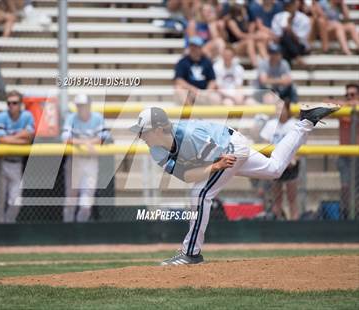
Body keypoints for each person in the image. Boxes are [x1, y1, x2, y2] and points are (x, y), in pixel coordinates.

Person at [130, 102, 339, 265]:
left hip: (230, 147)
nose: (140, 136)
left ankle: (190, 253)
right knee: (274, 169)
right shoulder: (156, 149)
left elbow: (222, 161)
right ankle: (306, 122)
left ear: (159, 129)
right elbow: (187, 175)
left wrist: (214, 166)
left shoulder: (190, 135)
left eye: (143, 131)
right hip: (219, 154)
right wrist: (213, 167)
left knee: (200, 194)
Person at [0, 90, 35, 223]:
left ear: (20, 104)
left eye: (15, 103)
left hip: (16, 163)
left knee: (16, 201)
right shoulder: (1, 117)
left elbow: (29, 136)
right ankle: (0, 230)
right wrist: (20, 139)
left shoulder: (27, 116)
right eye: (9, 103)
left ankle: (8, 225)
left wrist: (10, 138)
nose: (11, 106)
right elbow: (0, 138)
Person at [61, 94, 104, 223]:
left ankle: (80, 229)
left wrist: (83, 141)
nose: (81, 108)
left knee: (87, 201)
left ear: (89, 105)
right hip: (75, 161)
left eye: (83, 105)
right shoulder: (71, 118)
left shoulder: (97, 118)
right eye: (79, 106)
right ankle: (67, 229)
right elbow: (65, 138)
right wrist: (85, 142)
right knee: (71, 198)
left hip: (91, 161)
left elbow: (104, 137)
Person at [260, 100, 299, 220]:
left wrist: (294, 159)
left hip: (290, 164)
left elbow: (300, 144)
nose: (279, 111)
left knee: (292, 197)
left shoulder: (294, 124)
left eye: (282, 109)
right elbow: (265, 144)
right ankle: (277, 222)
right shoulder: (271, 124)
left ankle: (294, 223)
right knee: (277, 197)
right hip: (275, 162)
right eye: (277, 109)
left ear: (288, 110)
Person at [174, 36, 218, 106]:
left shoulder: (207, 62)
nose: (193, 49)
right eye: (191, 46)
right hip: (189, 91)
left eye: (196, 46)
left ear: (200, 48)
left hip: (204, 91)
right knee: (179, 89)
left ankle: (214, 116)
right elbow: (179, 80)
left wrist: (207, 92)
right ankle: (189, 114)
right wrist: (193, 90)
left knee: (215, 97)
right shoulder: (183, 62)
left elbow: (212, 80)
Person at [337, 84, 359, 219]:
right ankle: (345, 215)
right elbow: (327, 103)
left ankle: (356, 215)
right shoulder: (343, 108)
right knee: (345, 187)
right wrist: (346, 104)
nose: (349, 98)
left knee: (357, 189)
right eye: (347, 95)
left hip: (357, 155)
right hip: (345, 156)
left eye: (353, 95)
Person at [224, 3, 269, 67]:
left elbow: (249, 33)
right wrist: (256, 36)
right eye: (243, 9)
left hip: (246, 45)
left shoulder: (245, 20)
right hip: (235, 46)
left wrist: (254, 28)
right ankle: (256, 65)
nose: (245, 11)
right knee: (250, 41)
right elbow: (239, 35)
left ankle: (267, 63)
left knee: (259, 43)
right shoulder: (231, 22)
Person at [272, 0, 311, 64]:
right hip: (283, 45)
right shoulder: (278, 17)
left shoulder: (304, 19)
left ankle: (294, 57)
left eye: (291, 4)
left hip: (299, 46)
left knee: (285, 40)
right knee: (284, 42)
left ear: (295, 4)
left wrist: (290, 29)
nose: (289, 7)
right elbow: (277, 38)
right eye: (287, 5)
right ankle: (296, 57)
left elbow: (300, 40)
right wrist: (285, 28)